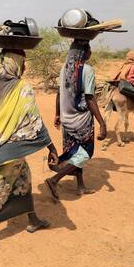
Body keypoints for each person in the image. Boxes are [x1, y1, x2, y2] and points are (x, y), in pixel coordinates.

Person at [0, 49, 59, 251]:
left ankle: (32, 219)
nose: (24, 67)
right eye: (22, 62)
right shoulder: (22, 88)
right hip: (11, 150)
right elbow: (35, 121)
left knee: (24, 180)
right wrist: (51, 147)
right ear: (14, 64)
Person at [46, 39, 107, 200]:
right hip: (82, 121)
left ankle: (80, 186)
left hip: (67, 120)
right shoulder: (87, 70)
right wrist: (102, 122)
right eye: (88, 49)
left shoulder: (64, 69)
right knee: (85, 152)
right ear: (83, 52)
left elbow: (60, 93)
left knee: (73, 152)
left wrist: (58, 114)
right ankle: (54, 180)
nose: (90, 52)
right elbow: (90, 98)